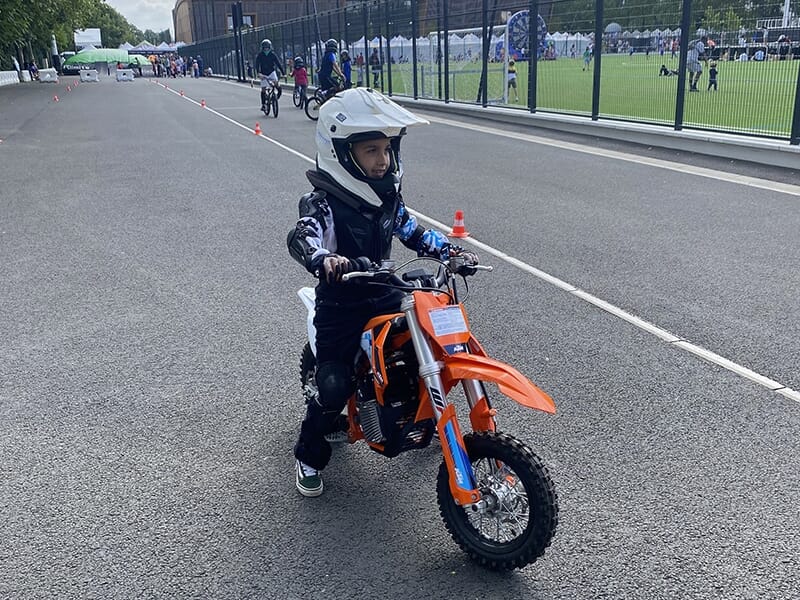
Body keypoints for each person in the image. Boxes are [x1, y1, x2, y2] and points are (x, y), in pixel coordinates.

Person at [286, 88, 477, 497]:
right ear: (342, 154)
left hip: (386, 288)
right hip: (343, 301)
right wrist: (324, 260)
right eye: (371, 150)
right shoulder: (323, 202)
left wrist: (451, 252)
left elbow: (413, 233)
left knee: (426, 338)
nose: (383, 160)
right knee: (334, 384)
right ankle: (307, 455)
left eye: (387, 149)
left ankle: (418, 412)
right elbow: (303, 237)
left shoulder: (387, 199)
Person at [256, 38, 285, 111]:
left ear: (270, 47)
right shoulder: (260, 55)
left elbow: (278, 64)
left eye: (267, 48)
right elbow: (257, 64)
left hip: (271, 72)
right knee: (263, 89)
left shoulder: (272, 54)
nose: (266, 49)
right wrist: (258, 73)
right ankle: (263, 105)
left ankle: (276, 97)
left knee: (277, 85)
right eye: (264, 48)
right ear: (262, 48)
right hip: (263, 73)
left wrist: (283, 73)